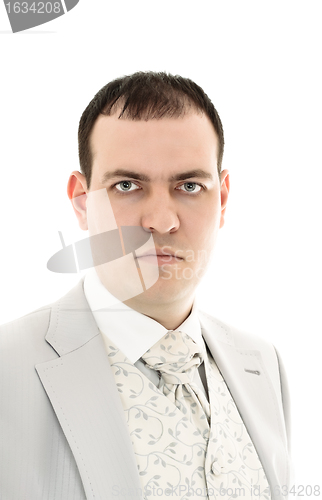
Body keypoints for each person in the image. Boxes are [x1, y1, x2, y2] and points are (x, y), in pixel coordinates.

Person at [0, 72, 292, 500]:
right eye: (127, 186)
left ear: (223, 199)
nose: (161, 220)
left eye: (189, 186)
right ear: (82, 202)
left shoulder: (264, 364)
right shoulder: (8, 369)